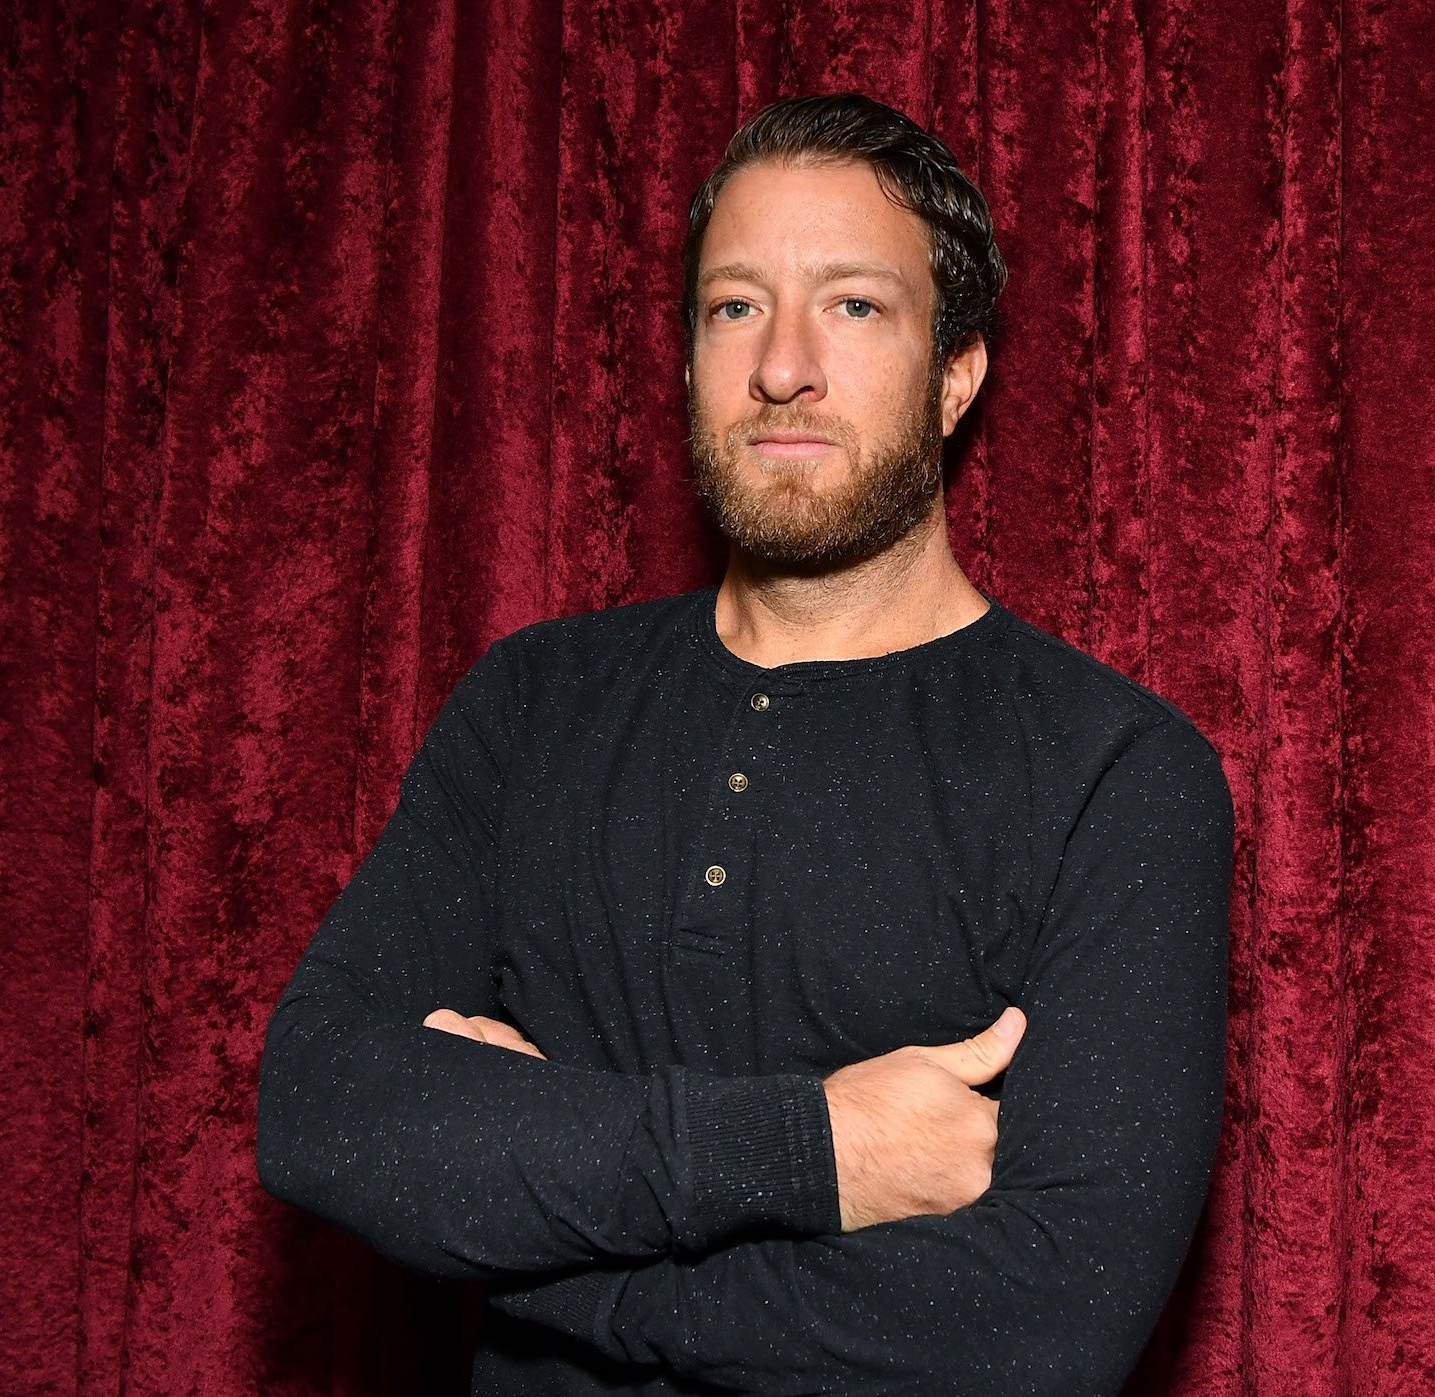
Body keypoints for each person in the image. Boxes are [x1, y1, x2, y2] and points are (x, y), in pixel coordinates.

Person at [256, 92, 1234, 1396]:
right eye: (733, 306)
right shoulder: (534, 702)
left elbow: (1039, 1335)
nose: (781, 364)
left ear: (958, 372)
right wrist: (815, 1145)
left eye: (852, 304)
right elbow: (324, 1109)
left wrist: (519, 1220)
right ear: (684, 358)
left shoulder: (1119, 775)